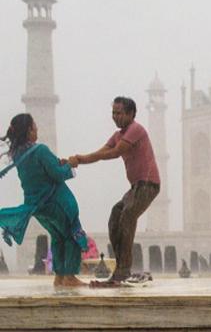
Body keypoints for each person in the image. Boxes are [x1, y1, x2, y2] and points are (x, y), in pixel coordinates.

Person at [73, 97, 160, 285]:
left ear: (131, 114)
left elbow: (114, 153)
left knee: (128, 216)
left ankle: (122, 272)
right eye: (113, 113)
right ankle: (122, 268)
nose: (115, 117)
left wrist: (80, 158)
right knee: (116, 216)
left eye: (119, 113)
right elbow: (100, 153)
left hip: (149, 184)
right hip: (136, 186)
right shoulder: (117, 135)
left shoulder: (136, 130)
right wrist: (79, 160)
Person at [0, 113, 88, 287]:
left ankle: (60, 276)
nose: (37, 129)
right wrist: (70, 164)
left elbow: (40, 174)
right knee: (71, 235)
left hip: (38, 207)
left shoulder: (19, 155)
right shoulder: (40, 150)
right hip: (57, 203)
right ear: (29, 131)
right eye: (34, 127)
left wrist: (58, 163)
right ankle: (69, 276)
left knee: (57, 237)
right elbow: (56, 174)